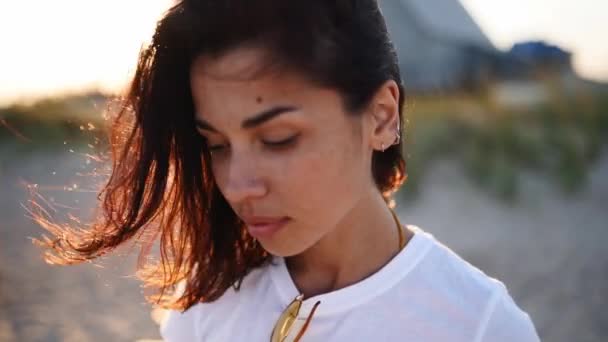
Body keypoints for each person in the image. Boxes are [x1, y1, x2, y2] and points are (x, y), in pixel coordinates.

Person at [34, 0, 540, 341]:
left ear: (381, 117)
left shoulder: (477, 325)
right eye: (215, 144)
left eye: (278, 139)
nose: (237, 185)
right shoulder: (203, 309)